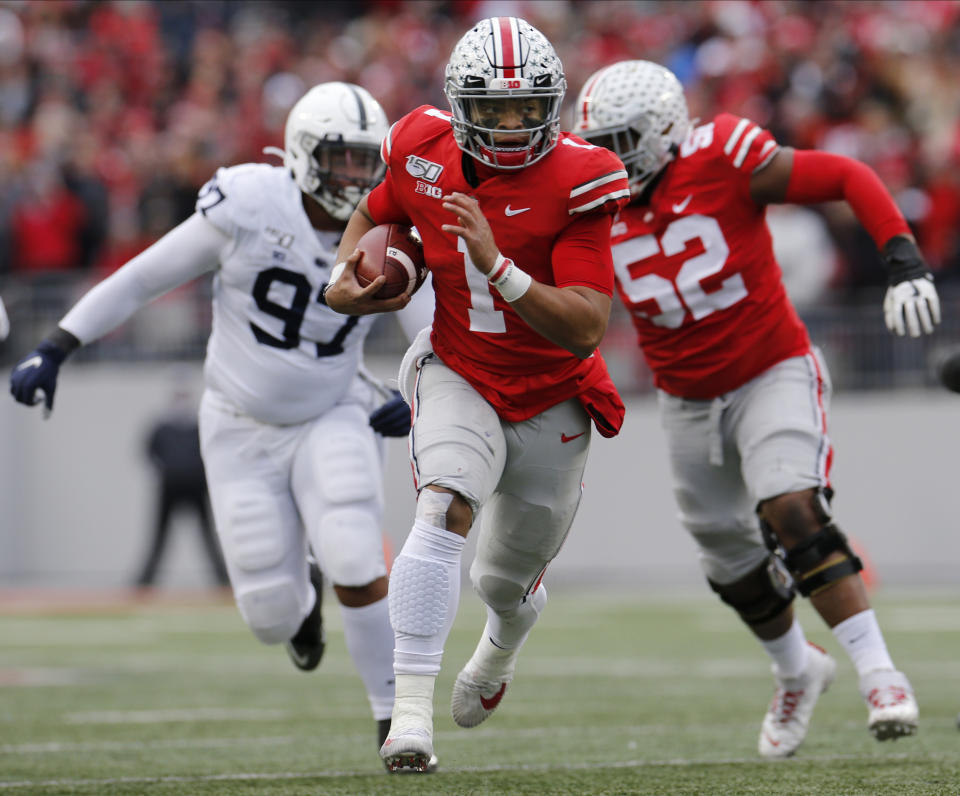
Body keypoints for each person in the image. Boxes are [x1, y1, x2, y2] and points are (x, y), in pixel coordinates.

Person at [9, 82, 436, 768]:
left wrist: (416, 401)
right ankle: (301, 603)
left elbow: (435, 342)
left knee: (356, 548)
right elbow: (145, 277)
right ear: (301, 155)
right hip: (237, 420)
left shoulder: (392, 229)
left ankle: (395, 721)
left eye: (365, 161)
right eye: (341, 160)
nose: (356, 177)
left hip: (333, 407)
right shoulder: (249, 202)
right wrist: (58, 344)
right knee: (269, 614)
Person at [573, 60, 937, 758]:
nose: (606, 160)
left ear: (663, 132)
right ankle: (797, 669)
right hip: (684, 399)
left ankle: (880, 674)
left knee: (790, 506)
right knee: (728, 558)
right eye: (596, 145)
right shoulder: (590, 196)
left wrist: (902, 258)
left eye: (620, 142)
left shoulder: (723, 156)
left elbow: (846, 177)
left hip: (771, 369)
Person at [323, 16, 631, 773]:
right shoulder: (419, 146)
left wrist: (498, 266)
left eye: (526, 110)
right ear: (462, 106)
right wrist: (347, 277)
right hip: (459, 367)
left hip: (554, 393)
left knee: (504, 579)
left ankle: (498, 651)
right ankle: (410, 718)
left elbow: (587, 327)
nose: (510, 124)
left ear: (550, 107)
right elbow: (377, 209)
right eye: (492, 109)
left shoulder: (580, 177)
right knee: (444, 504)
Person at [135, 380, 228, 588]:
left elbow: (212, 452)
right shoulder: (162, 427)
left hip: (196, 487)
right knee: (159, 536)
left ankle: (222, 580)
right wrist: (166, 469)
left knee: (207, 535)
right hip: (170, 487)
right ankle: (144, 582)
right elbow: (149, 452)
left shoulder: (200, 425)